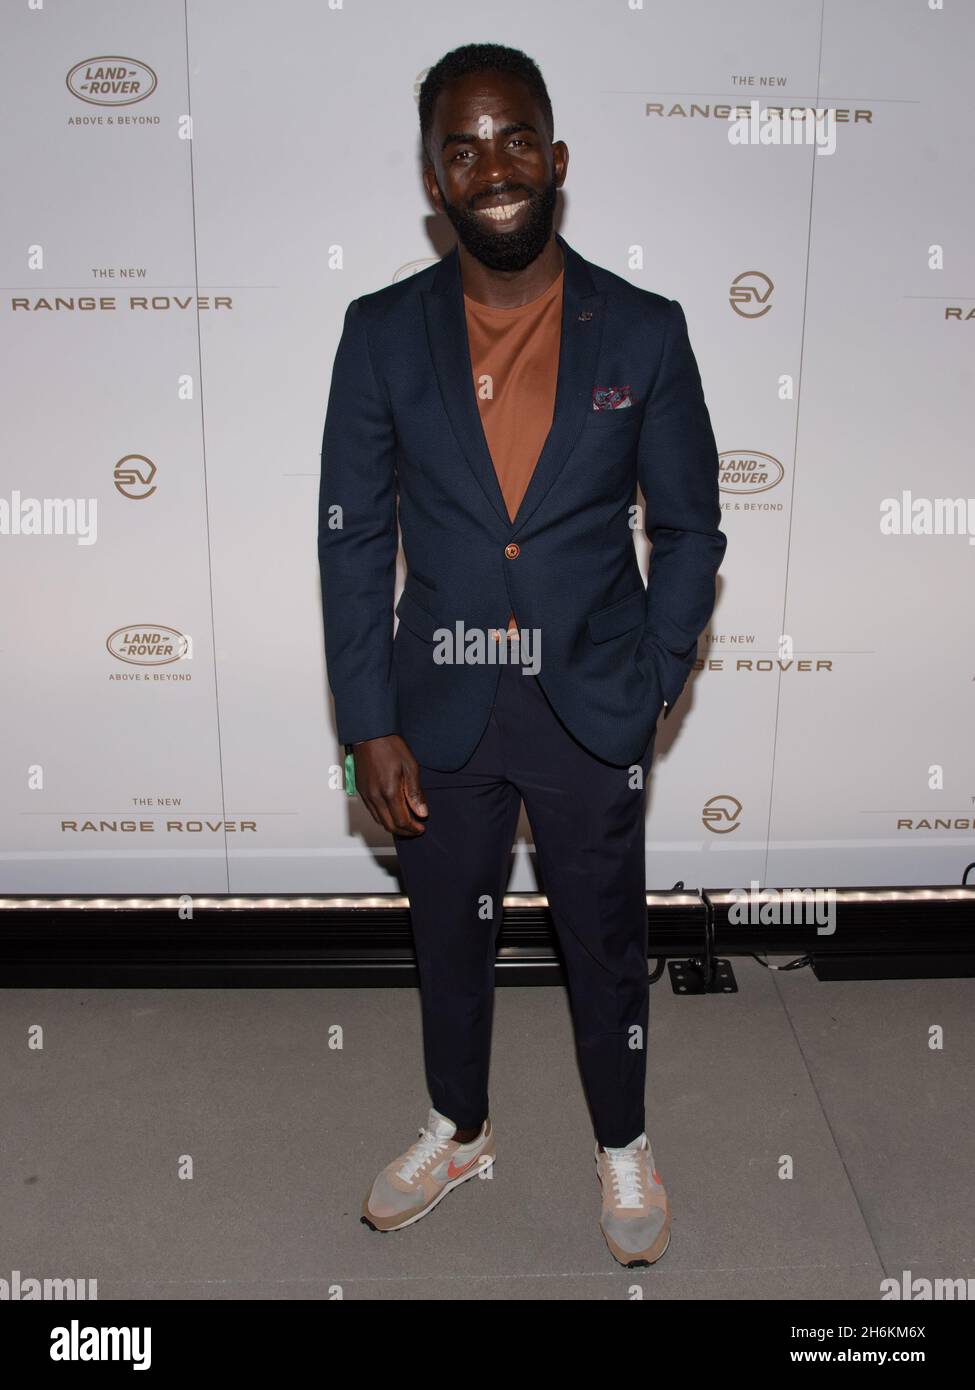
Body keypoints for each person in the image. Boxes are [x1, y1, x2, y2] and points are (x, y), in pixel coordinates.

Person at [318, 42, 727, 1267]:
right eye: (460, 147)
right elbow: (351, 539)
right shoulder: (380, 332)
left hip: (590, 702)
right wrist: (366, 723)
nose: (489, 166)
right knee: (447, 931)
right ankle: (459, 1123)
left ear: (555, 159)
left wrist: (654, 673)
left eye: (511, 141)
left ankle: (622, 1144)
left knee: (605, 936)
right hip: (436, 704)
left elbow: (693, 525)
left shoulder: (645, 333)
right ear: (433, 180)